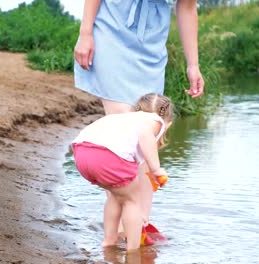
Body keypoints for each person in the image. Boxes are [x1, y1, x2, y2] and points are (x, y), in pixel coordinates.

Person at [73, 0, 205, 232]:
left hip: (151, 42)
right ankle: (127, 226)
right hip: (112, 27)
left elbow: (186, 5)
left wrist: (193, 64)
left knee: (146, 143)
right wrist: (86, 33)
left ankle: (138, 223)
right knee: (128, 132)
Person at [71, 94, 174, 251]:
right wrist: (156, 169)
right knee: (132, 201)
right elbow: (146, 136)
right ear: (167, 122)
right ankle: (133, 251)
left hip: (81, 152)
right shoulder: (155, 121)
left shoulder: (125, 119)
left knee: (117, 196)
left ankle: (109, 241)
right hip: (108, 156)